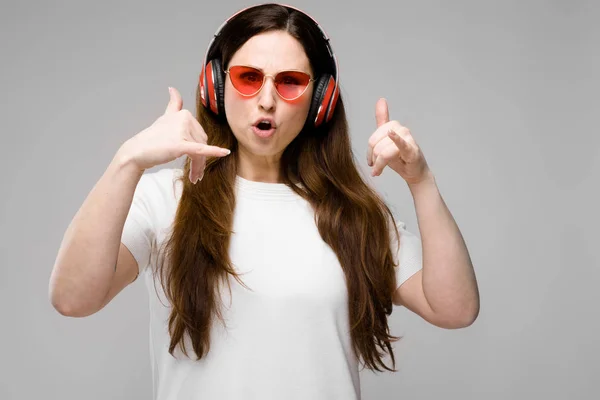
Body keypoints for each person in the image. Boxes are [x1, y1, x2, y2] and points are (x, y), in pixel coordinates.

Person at [49, 3, 479, 399]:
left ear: (320, 101)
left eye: (290, 82)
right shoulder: (165, 200)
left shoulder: (353, 214)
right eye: (248, 77)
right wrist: (127, 162)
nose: (267, 99)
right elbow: (73, 297)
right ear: (215, 86)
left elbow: (455, 308)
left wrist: (421, 182)